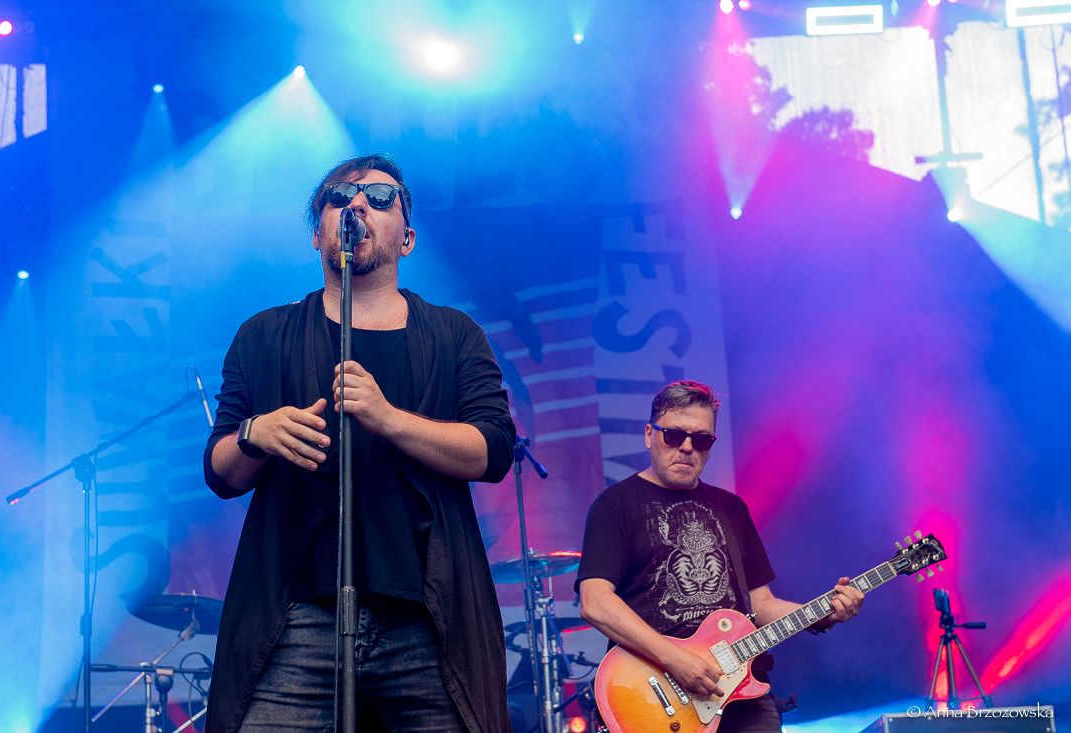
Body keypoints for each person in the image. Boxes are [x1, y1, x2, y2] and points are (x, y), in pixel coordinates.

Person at [202, 153, 516, 732]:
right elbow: (220, 471)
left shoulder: (454, 334)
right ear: (317, 232)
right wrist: (255, 434)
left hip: (426, 624)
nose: (359, 204)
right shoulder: (263, 335)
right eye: (341, 195)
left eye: (381, 196)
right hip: (295, 620)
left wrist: (388, 418)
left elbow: (493, 450)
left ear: (408, 239)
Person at [575, 380, 863, 732]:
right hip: (660, 698)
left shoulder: (731, 508)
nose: (687, 447)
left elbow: (762, 604)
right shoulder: (615, 505)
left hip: (743, 695)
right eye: (674, 435)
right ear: (650, 435)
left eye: (701, 440)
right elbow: (595, 602)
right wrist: (675, 659)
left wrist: (824, 614)